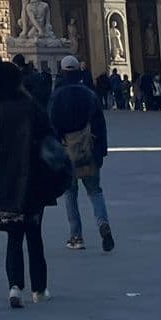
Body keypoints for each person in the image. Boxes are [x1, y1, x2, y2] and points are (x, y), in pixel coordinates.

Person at [0, 57, 56, 307]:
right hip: (33, 180)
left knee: (13, 237)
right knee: (34, 236)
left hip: (5, 181)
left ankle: (14, 288)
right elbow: (49, 139)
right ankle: (39, 290)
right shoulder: (31, 107)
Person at [50, 57, 115, 253]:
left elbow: (52, 125)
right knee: (95, 191)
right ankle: (103, 224)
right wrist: (101, 151)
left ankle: (76, 236)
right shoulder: (90, 94)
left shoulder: (57, 96)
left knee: (70, 194)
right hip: (88, 150)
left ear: (62, 72)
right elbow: (100, 125)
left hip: (66, 151)